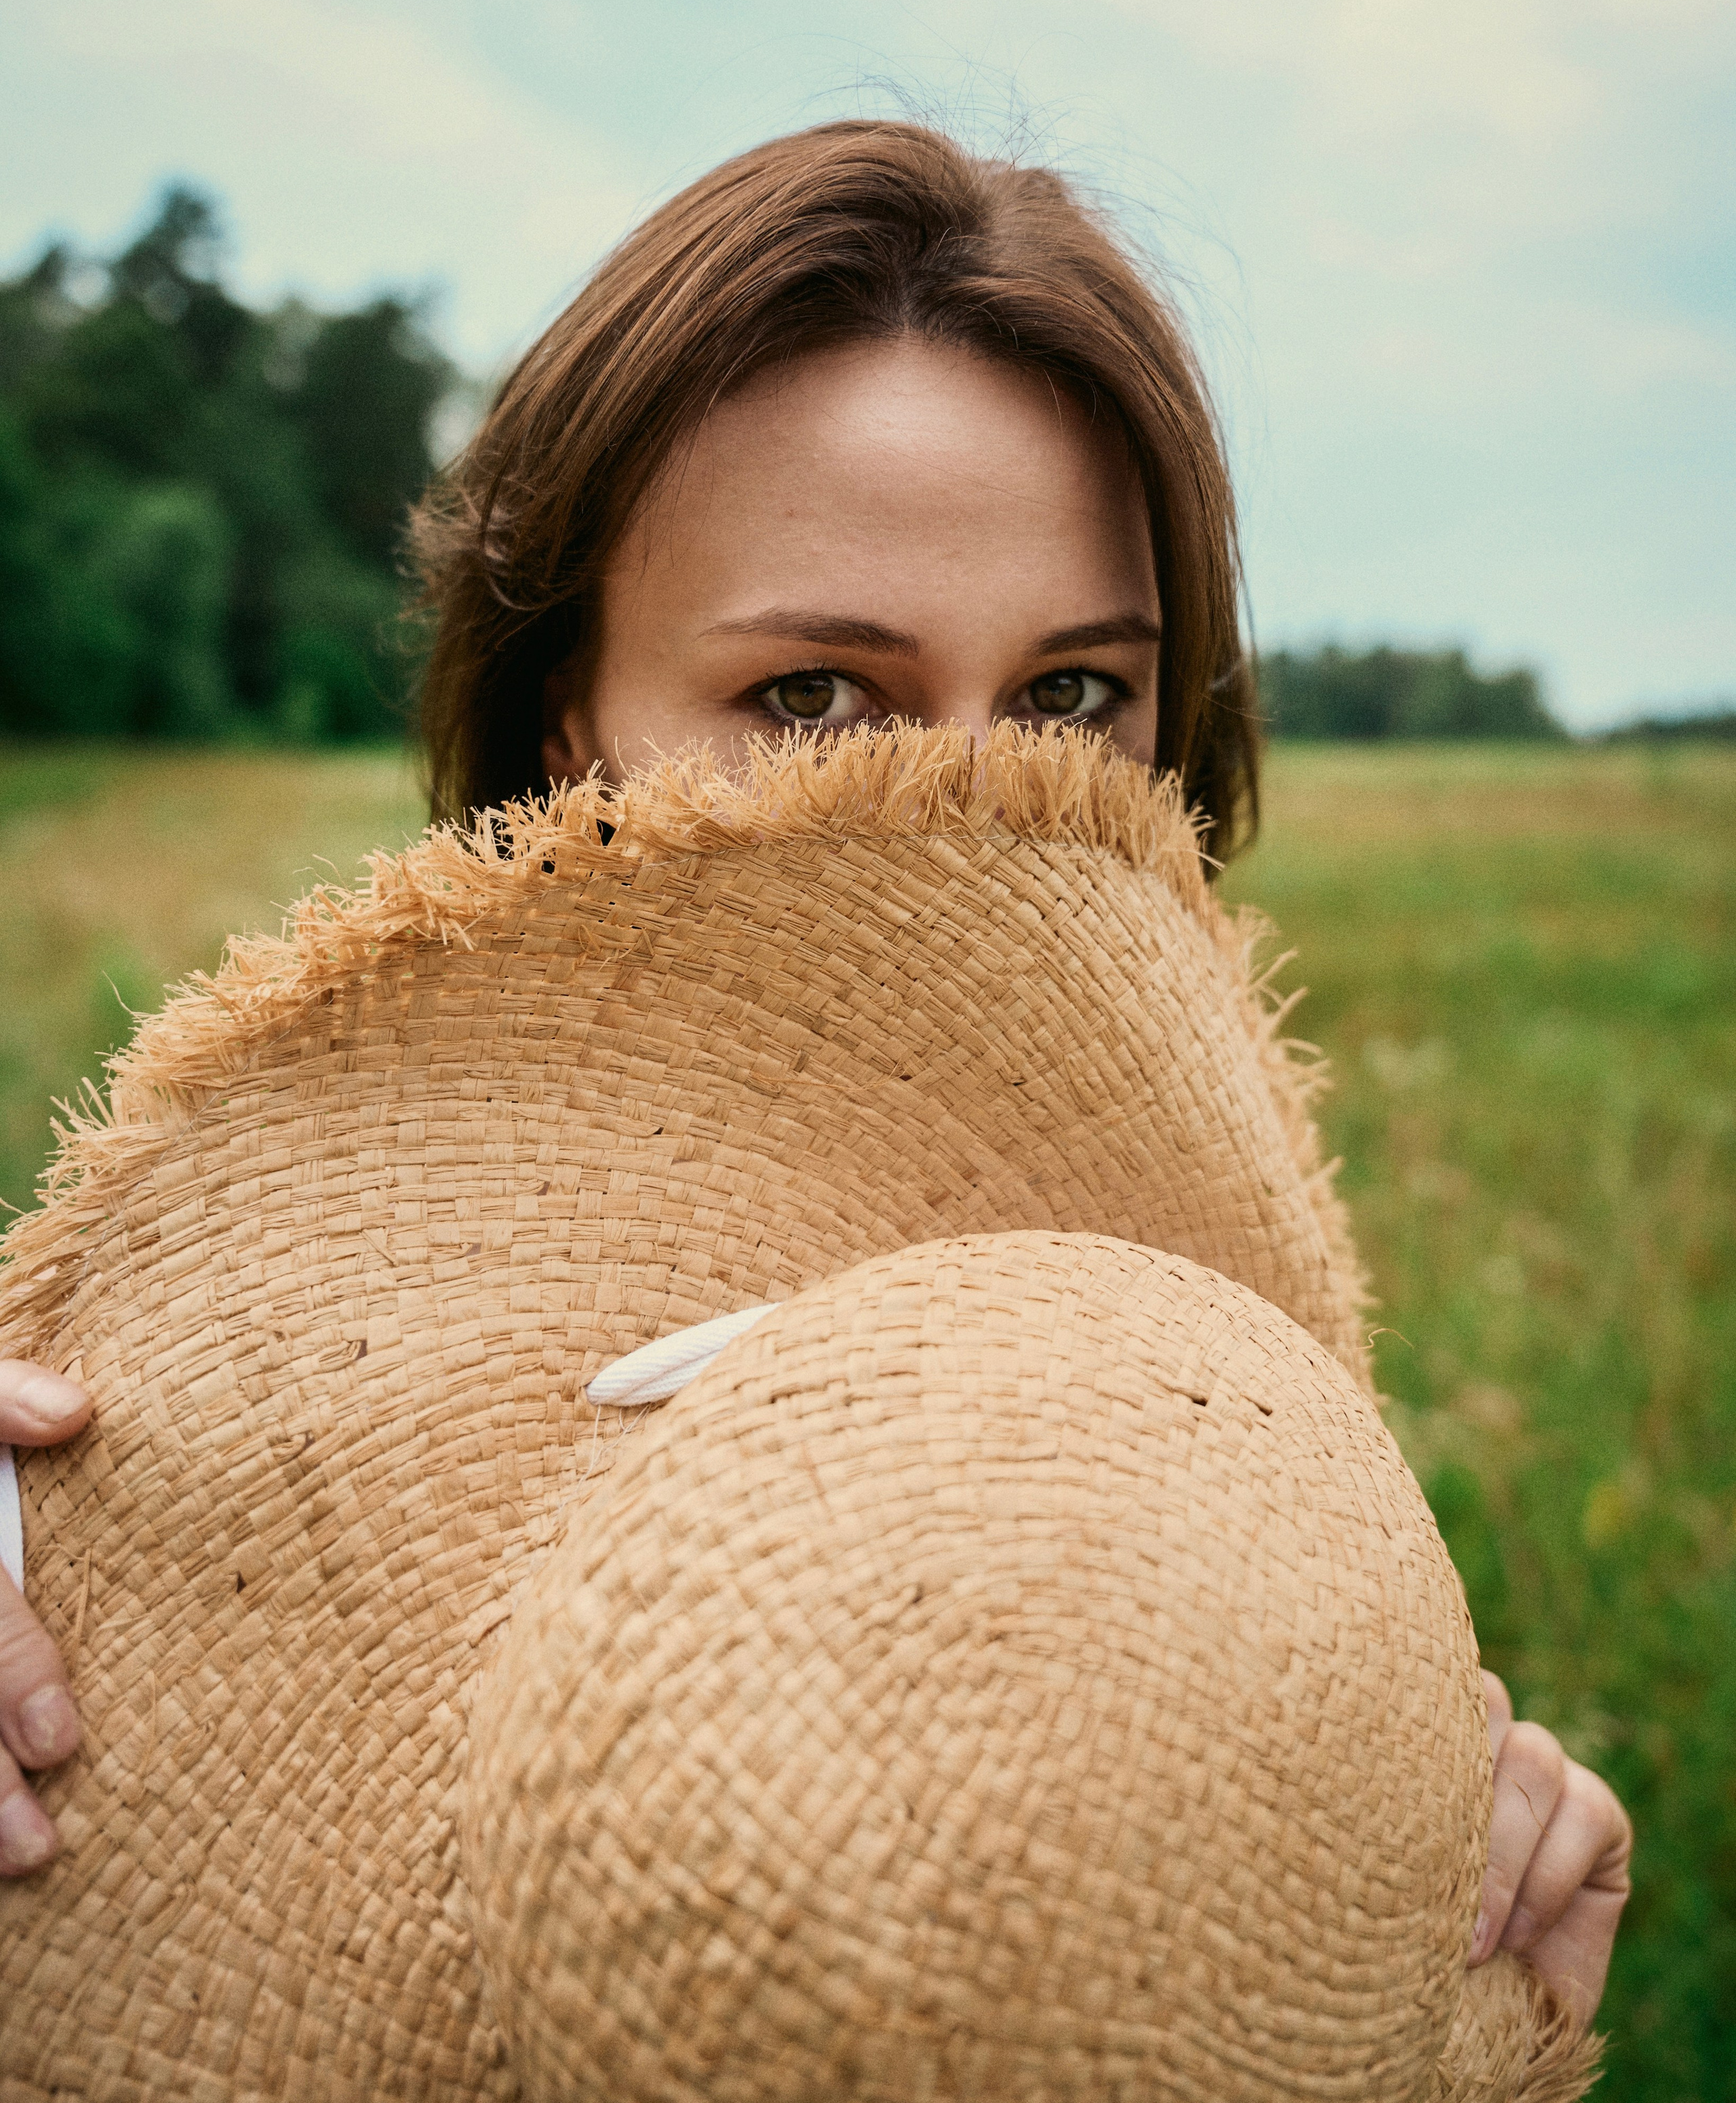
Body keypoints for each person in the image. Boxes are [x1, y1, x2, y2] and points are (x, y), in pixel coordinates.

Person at [0, 119, 1631, 2024]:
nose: (969, 802)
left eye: (1072, 694)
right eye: (810, 696)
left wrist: (1417, 1842)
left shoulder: (1226, 1345)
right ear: (570, 717)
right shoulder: (140, 1422)